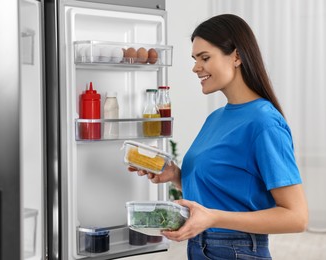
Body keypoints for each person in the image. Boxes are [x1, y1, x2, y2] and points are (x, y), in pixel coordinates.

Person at [129, 14, 308, 259]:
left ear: (237, 56)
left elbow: (296, 217)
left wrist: (213, 218)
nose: (195, 67)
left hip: (238, 250)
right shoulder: (215, 118)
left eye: (205, 57)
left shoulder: (264, 122)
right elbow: (223, 192)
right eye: (194, 59)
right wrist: (176, 176)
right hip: (199, 246)